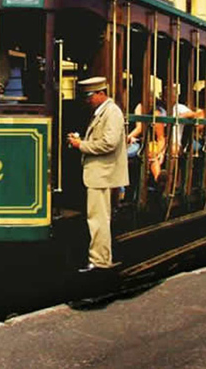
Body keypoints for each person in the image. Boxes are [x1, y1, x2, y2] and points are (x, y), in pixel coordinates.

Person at [67, 76, 128, 272]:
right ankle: (100, 258)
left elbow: (109, 143)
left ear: (101, 93)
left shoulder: (112, 112)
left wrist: (81, 145)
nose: (87, 100)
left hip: (102, 173)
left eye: (89, 96)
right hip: (99, 173)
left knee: (98, 219)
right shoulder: (103, 111)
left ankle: (100, 261)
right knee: (98, 218)